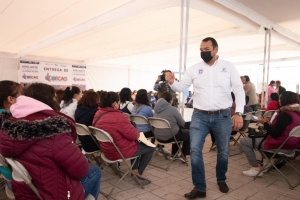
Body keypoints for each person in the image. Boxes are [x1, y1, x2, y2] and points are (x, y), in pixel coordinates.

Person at [165, 37, 244, 198]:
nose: (203, 52)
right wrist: (173, 82)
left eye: (206, 49)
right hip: (199, 116)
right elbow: (181, 87)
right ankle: (200, 187)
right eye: (201, 50)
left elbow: (238, 90)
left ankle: (221, 178)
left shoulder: (228, 67)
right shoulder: (194, 69)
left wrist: (239, 113)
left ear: (216, 49)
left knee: (223, 151)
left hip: (222, 115)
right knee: (195, 150)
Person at [0, 83, 101, 200]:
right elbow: (80, 170)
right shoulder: (54, 132)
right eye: (54, 98)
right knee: (95, 170)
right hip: (56, 193)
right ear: (47, 101)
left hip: (29, 191)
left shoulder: (9, 127)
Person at [93, 91, 154, 185]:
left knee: (136, 144)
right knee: (150, 147)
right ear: (114, 103)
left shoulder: (98, 113)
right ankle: (138, 173)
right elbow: (134, 135)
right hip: (118, 152)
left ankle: (135, 170)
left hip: (106, 150)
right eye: (118, 102)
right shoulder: (118, 117)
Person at [240, 91, 300, 177]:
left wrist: (264, 123)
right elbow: (282, 129)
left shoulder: (285, 115)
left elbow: (274, 134)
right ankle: (267, 163)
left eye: (280, 99)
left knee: (244, 141)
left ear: (283, 100)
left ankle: (255, 168)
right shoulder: (297, 113)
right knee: (258, 138)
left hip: (281, 145)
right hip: (292, 145)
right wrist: (268, 123)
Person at [0, 80, 23, 191]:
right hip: (20, 180)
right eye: (21, 97)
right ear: (10, 99)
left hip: (6, 174)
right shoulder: (12, 122)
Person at [154, 92, 190, 160]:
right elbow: (182, 123)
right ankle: (183, 154)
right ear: (170, 100)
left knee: (176, 130)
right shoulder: (173, 109)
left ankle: (174, 154)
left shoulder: (156, 110)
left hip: (158, 137)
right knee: (188, 133)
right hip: (169, 137)